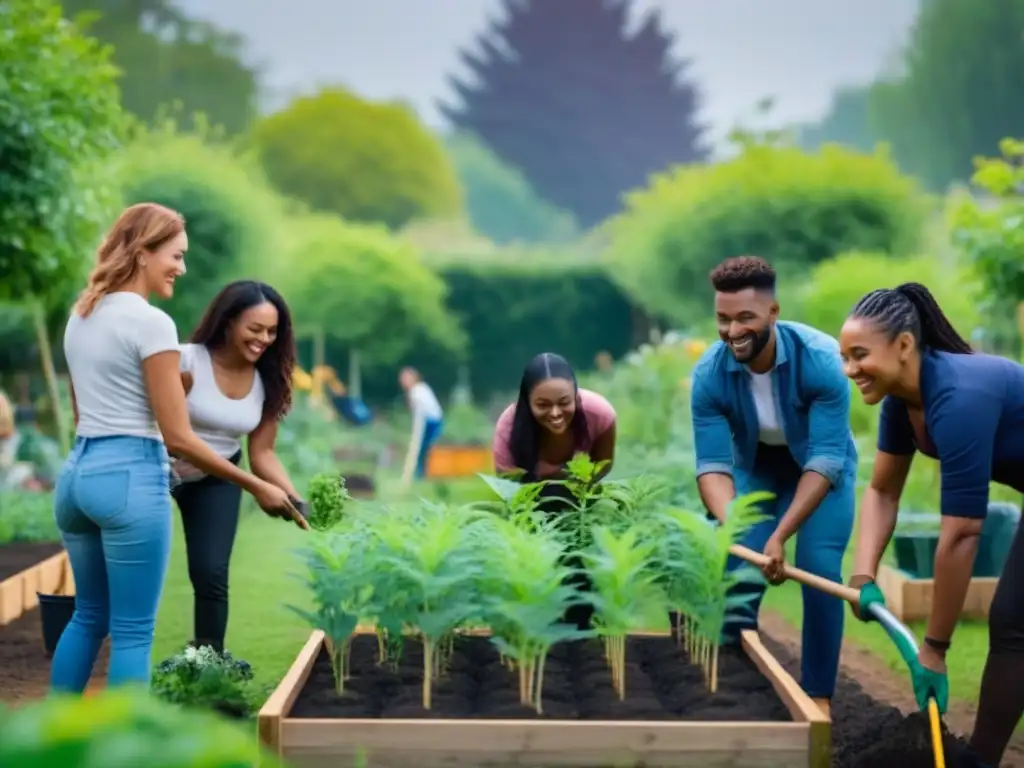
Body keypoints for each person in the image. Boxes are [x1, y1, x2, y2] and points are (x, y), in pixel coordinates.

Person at [50, 203, 301, 695]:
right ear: (143, 253)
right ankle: (127, 751)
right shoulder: (152, 323)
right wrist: (256, 485)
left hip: (78, 474)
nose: (182, 269)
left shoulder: (81, 316)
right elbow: (180, 437)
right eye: (176, 256)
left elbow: (82, 412)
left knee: (86, 617)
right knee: (132, 634)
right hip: (129, 479)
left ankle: (54, 742)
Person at [840, 282, 1024, 768]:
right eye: (845, 356)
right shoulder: (902, 401)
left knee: (1013, 621)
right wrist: (863, 574)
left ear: (903, 346)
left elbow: (963, 533)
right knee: (1015, 623)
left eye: (860, 355)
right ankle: (979, 762)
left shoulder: (959, 398)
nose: (849, 370)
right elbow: (882, 490)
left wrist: (935, 648)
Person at [690, 256, 857, 717]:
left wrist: (781, 535)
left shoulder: (821, 361)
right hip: (760, 466)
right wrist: (737, 530)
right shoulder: (709, 374)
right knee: (738, 567)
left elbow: (824, 460)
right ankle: (732, 687)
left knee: (818, 567)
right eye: (723, 319)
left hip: (821, 471)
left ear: (773, 313)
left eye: (746, 317)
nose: (732, 330)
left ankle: (818, 696)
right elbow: (712, 467)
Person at [171, 280, 307, 654]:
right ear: (228, 322)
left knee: (211, 573)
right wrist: (254, 486)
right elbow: (169, 434)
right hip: (158, 469)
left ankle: (209, 665)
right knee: (138, 572)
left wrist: (294, 496)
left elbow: (262, 452)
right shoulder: (185, 361)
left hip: (218, 478)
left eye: (272, 331)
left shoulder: (270, 378)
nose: (263, 339)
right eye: (254, 328)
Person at [492, 352, 617, 628]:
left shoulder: (599, 413)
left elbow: (603, 464)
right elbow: (509, 489)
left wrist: (573, 491)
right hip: (529, 499)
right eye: (543, 405)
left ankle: (580, 625)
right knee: (533, 567)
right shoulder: (509, 427)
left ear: (576, 396)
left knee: (579, 560)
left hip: (579, 495)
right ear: (527, 402)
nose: (556, 413)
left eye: (564, 403)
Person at [399, 368, 444, 485]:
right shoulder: (420, 389)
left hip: (431, 421)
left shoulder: (417, 391)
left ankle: (421, 475)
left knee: (423, 449)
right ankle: (420, 475)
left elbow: (421, 413)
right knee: (423, 449)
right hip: (431, 420)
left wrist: (417, 431)